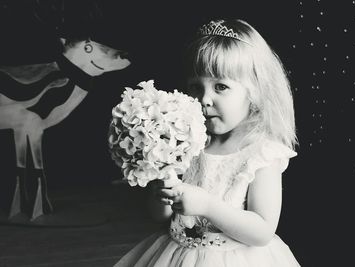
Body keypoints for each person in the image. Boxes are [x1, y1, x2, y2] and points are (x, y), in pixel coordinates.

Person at [114, 18, 300, 267]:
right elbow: (161, 216)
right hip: (178, 254)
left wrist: (208, 206)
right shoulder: (189, 142)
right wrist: (162, 190)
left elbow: (262, 231)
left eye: (220, 86)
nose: (205, 99)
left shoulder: (261, 153)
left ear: (255, 92)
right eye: (195, 86)